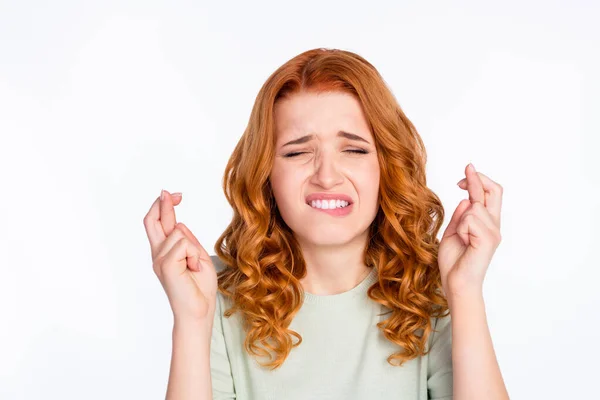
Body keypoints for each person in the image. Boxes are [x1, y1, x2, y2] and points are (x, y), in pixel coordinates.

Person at [143, 48, 509, 400]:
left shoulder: (432, 290)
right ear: (266, 173)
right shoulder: (214, 292)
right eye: (298, 152)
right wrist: (193, 319)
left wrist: (464, 292)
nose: (327, 176)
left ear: (387, 166)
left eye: (354, 149)